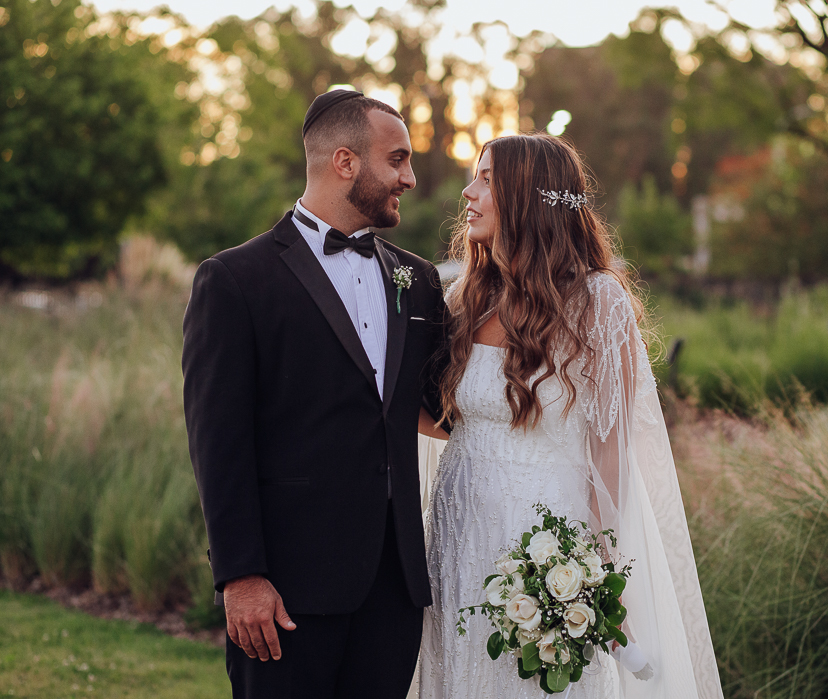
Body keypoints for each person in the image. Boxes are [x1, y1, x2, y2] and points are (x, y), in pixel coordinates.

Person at [416, 134, 724, 699]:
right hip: (458, 532)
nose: (469, 192)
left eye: (485, 179)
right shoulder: (465, 297)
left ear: (527, 196)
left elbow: (611, 457)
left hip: (542, 543)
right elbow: (446, 418)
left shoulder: (597, 302)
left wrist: (599, 577)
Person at [182, 89, 448, 699]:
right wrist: (241, 577)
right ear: (345, 162)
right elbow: (218, 441)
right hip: (285, 590)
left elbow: (443, 405)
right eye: (398, 160)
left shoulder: (420, 280)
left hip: (394, 587)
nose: (409, 177)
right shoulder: (234, 281)